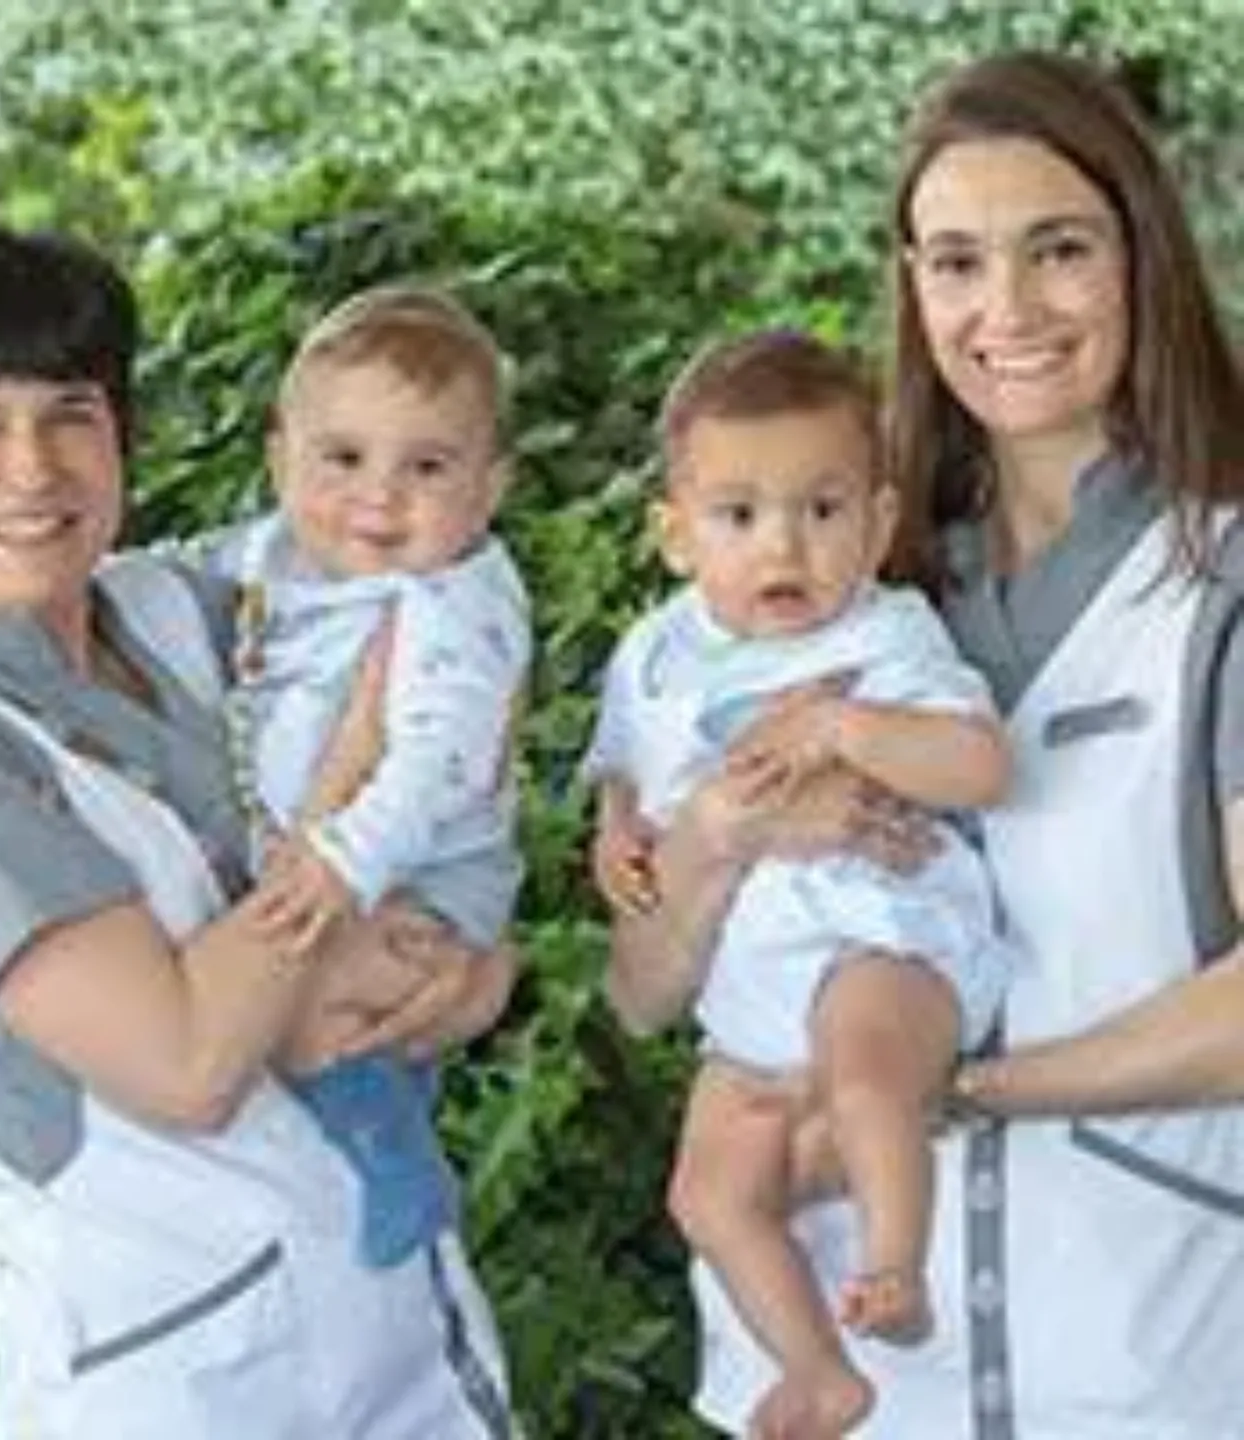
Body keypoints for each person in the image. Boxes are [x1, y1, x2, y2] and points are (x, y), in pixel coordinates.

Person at [602, 49, 1244, 1440]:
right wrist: (717, 836)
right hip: (842, 1386)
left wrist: (955, 1088)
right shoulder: (823, 578)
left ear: (1143, 256)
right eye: (956, 262)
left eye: (1057, 250)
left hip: (1140, 1373)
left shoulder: (1217, 587)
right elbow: (645, 996)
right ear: (912, 286)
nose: (1003, 309)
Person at [0, 224, 517, 1440]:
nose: (32, 470)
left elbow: (431, 623)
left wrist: (479, 976)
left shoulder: (183, 606)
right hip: (182, 1385)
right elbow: (188, 1063)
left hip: (389, 1325)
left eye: (73, 413)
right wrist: (345, 797)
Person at [586, 329, 1010, 1437]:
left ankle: (892, 1266)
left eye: (823, 512)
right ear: (674, 535)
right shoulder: (655, 656)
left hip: (884, 939)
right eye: (738, 516)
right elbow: (623, 784)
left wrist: (844, 723)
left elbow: (981, 764)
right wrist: (620, 839)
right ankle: (818, 1367)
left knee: (867, 1079)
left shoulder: (888, 634)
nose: (785, 546)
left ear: (875, 523)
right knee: (707, 1194)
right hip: (746, 1004)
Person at [195, 285, 530, 1269]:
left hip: (420, 870)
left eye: (427, 467)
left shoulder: (452, 606)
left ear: (489, 486)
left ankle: (396, 1157)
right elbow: (175, 589)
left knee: (315, 1007)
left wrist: (342, 856)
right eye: (342, 459)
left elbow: (439, 761)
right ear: (279, 459)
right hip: (330, 858)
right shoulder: (268, 559)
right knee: (290, 998)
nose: (379, 498)